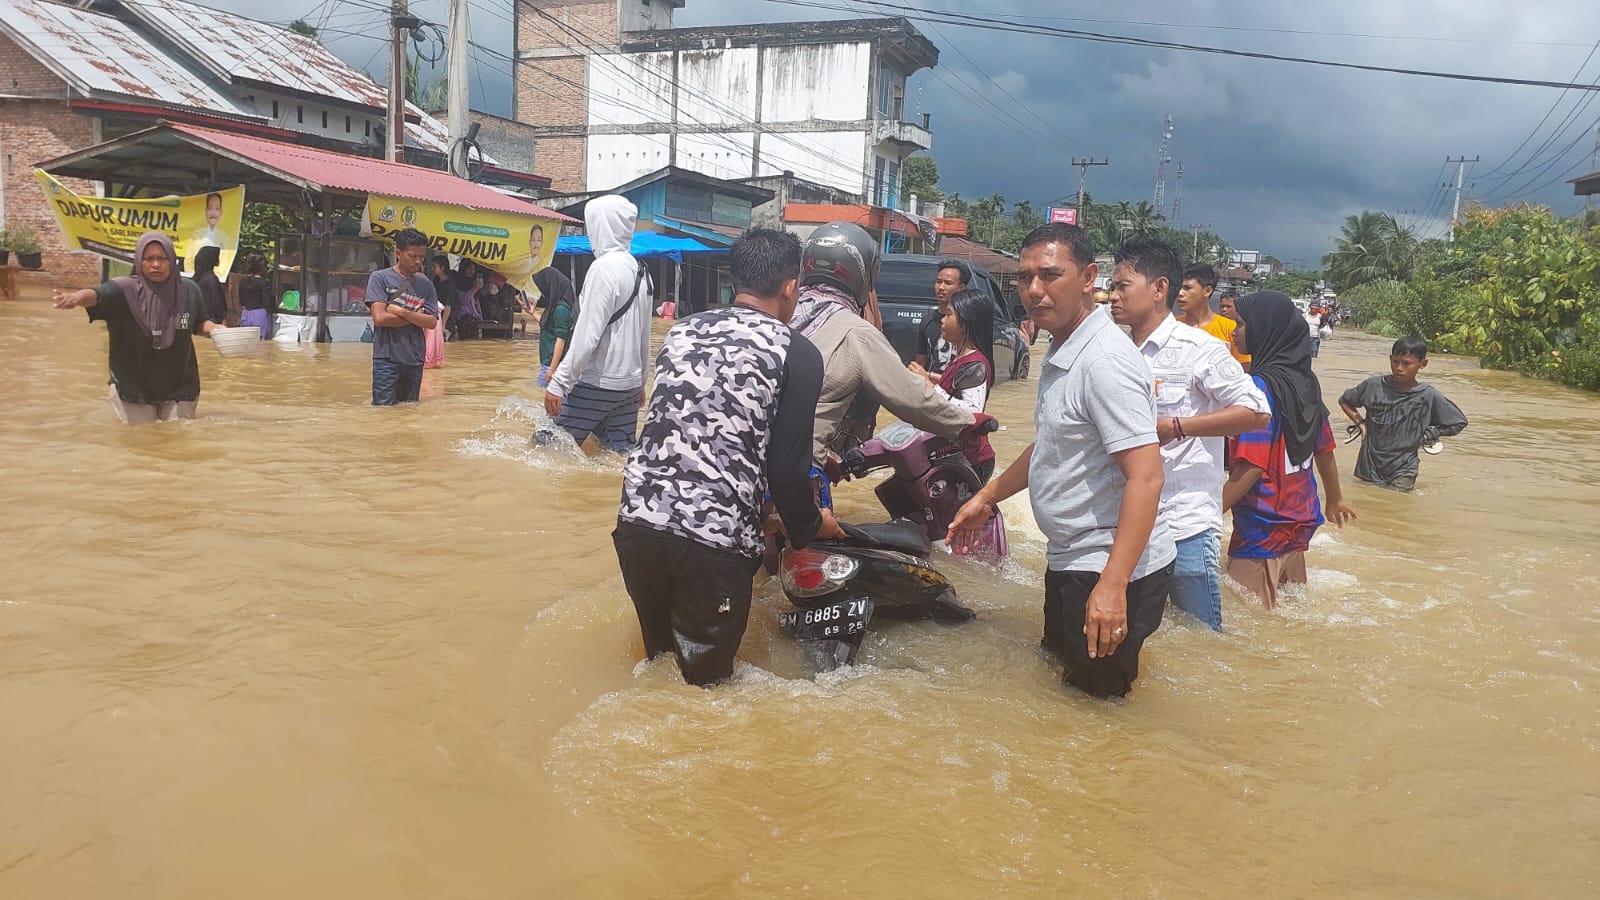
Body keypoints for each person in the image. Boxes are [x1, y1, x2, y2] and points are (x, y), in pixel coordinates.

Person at [949, 223, 1174, 699]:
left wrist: (1113, 587)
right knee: (1063, 696)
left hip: (1110, 567)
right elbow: (1054, 442)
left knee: (1095, 717)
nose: (1034, 289)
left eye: (1050, 275)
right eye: (1024, 277)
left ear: (1089, 277)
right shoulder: (1064, 346)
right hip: (1075, 558)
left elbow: (1147, 477)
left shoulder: (1104, 362)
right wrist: (988, 496)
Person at [614, 227, 834, 686]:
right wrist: (809, 528)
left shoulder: (683, 330)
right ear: (791, 286)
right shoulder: (797, 351)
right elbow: (788, 470)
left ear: (735, 280)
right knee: (706, 693)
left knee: (659, 670)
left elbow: (686, 433)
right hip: (712, 541)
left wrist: (767, 512)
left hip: (637, 522)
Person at [1108, 238, 1270, 632]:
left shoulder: (1200, 350)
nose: (1112, 296)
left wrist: (1178, 427)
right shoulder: (1114, 351)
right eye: (1112, 287)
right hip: (1127, 519)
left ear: (1159, 288)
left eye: (1122, 286)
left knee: (1202, 640)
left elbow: (1256, 411)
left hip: (1185, 521)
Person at [794, 223, 975, 528]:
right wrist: (968, 424)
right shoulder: (857, 331)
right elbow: (912, 399)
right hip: (798, 474)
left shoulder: (778, 314)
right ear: (863, 275)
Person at [1223, 291, 1357, 609]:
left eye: (1241, 324)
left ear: (1264, 329)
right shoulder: (1306, 383)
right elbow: (1324, 448)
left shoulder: (1258, 390)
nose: (1233, 331)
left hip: (1262, 526)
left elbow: (1252, 466)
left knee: (1243, 626)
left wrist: (1206, 516)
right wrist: (1335, 499)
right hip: (1299, 521)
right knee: (1288, 615)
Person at [50, 231, 225, 424]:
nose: (156, 264)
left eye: (162, 258)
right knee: (142, 437)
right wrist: (75, 298)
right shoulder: (123, 290)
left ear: (172, 260)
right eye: (149, 259)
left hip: (180, 385)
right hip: (133, 386)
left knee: (178, 435)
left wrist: (215, 329)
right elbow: (97, 294)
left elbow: (200, 322)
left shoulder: (190, 290)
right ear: (139, 261)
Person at [544, 195, 653, 452]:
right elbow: (645, 337)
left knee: (546, 450)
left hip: (598, 384)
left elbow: (586, 336)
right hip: (629, 386)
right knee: (616, 456)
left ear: (601, 226)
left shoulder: (602, 270)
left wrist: (559, 382)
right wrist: (642, 383)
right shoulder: (643, 271)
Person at [1338, 337, 1468, 492]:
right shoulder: (1373, 386)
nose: (1399, 368)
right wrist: (1361, 424)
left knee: (1396, 507)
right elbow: (1345, 401)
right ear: (1390, 359)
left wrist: (1434, 432)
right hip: (1369, 465)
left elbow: (1459, 422)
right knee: (1367, 503)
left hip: (1403, 469)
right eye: (1395, 361)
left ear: (1423, 364)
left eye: (1406, 363)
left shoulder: (1428, 395)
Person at [910, 287, 998, 483]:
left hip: (969, 459)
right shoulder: (963, 357)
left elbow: (971, 412)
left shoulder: (976, 364)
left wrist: (930, 387)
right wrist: (929, 376)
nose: (942, 319)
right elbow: (956, 386)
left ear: (965, 323)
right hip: (951, 455)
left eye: (949, 314)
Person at [362, 228, 439, 405]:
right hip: (386, 359)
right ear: (398, 253)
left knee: (408, 411)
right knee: (384, 412)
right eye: (413, 256)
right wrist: (416, 317)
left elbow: (432, 322)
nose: (418, 261)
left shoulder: (425, 284)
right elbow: (380, 318)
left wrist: (402, 312)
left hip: (414, 359)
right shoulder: (380, 278)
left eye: (421, 257)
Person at [1178, 263, 1250, 370]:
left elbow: (1244, 367)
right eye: (1179, 287)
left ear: (1207, 291)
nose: (1180, 293)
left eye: (1187, 288)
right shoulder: (1172, 327)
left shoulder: (1232, 329)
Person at [914, 259, 971, 374]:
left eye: (948, 283)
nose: (941, 287)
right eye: (938, 281)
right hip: (930, 388)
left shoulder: (969, 322)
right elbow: (921, 361)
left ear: (962, 287)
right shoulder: (927, 321)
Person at [534, 266, 578, 388]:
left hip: (551, 365)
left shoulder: (561, 310)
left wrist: (552, 369)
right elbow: (548, 327)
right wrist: (532, 312)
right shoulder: (555, 307)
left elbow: (560, 339)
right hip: (547, 364)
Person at [237, 253, 274, 339]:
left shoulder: (243, 281)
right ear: (262, 267)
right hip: (260, 315)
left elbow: (241, 300)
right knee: (262, 345)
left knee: (247, 343)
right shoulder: (265, 283)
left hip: (246, 314)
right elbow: (267, 302)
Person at [191, 244, 227, 326]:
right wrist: (222, 319)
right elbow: (217, 302)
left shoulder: (197, 279)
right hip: (212, 322)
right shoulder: (211, 279)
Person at [430, 255, 459, 340]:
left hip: (447, 322)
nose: (432, 269)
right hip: (437, 318)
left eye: (434, 266)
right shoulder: (436, 280)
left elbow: (448, 306)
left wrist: (442, 326)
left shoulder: (450, 285)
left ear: (442, 267)